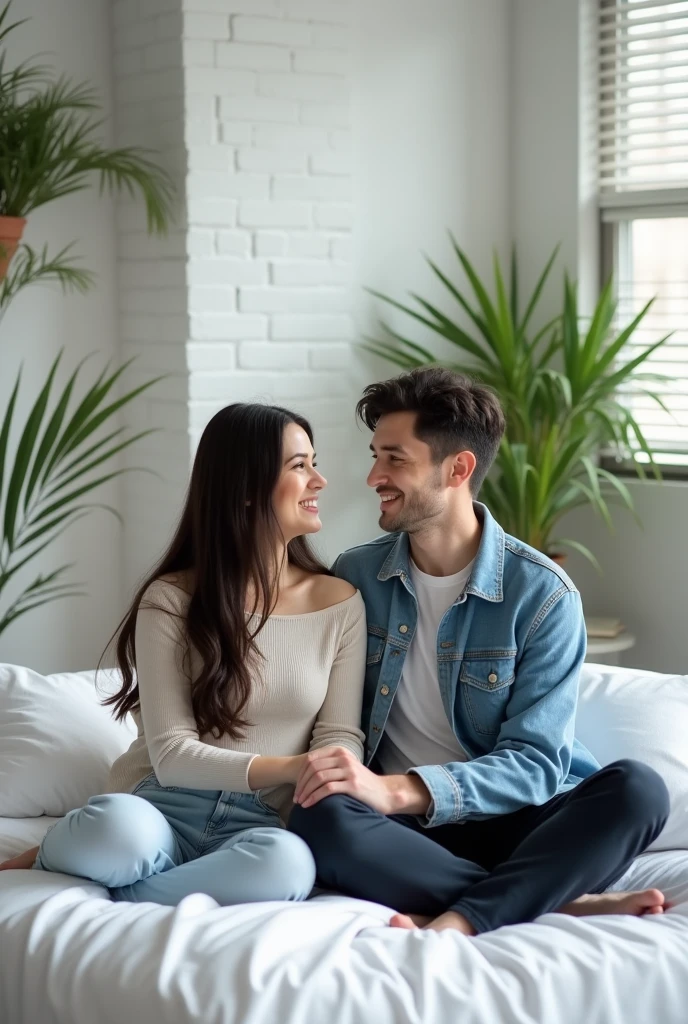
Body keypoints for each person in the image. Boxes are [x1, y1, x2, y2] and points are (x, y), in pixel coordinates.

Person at [288, 367, 671, 935]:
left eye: (395, 459)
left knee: (639, 790)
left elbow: (537, 763)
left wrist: (398, 790)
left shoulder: (541, 593)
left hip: (513, 820)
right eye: (376, 455)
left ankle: (461, 918)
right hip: (408, 835)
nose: (373, 476)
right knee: (317, 812)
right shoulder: (357, 575)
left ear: (458, 468)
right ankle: (550, 901)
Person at [0, 403, 366, 907]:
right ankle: (89, 856)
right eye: (299, 466)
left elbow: (340, 736)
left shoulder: (339, 603)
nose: (319, 480)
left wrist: (333, 768)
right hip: (158, 805)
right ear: (244, 487)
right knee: (114, 832)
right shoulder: (171, 600)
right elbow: (171, 755)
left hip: (260, 820)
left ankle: (124, 887)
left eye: (313, 462)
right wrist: (294, 765)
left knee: (289, 866)